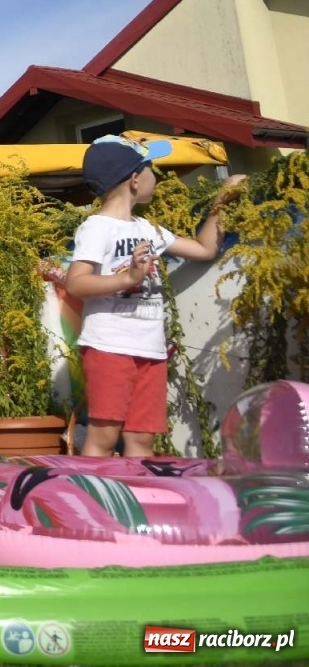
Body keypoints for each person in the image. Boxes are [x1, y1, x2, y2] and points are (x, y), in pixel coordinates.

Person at [64, 136, 246, 457]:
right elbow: (76, 283)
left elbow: (205, 248)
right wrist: (129, 277)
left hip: (150, 348)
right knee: (103, 438)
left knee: (142, 441)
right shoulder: (97, 227)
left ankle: (138, 504)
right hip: (109, 347)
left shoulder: (149, 229)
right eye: (151, 170)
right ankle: (96, 503)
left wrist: (224, 198)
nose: (157, 177)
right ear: (135, 180)